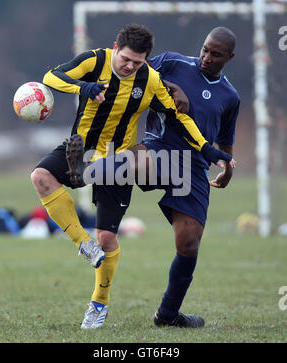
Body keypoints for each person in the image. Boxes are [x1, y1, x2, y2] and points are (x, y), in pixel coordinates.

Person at [31, 24, 234, 330]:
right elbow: (50, 77)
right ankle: (82, 241)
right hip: (87, 147)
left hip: (124, 158)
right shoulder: (95, 61)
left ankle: (100, 305)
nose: (129, 67)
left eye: (137, 63)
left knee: (113, 239)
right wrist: (82, 87)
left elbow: (179, 117)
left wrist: (208, 149)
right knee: (41, 177)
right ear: (115, 47)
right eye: (125, 59)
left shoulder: (151, 80)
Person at [135, 26, 240, 328]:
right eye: (206, 49)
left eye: (216, 54)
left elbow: (225, 138)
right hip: (159, 147)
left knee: (189, 243)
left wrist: (228, 166)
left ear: (229, 57)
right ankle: (83, 174)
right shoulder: (173, 62)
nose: (207, 57)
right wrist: (170, 86)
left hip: (194, 166)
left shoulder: (230, 96)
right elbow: (136, 74)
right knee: (123, 166)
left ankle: (168, 315)